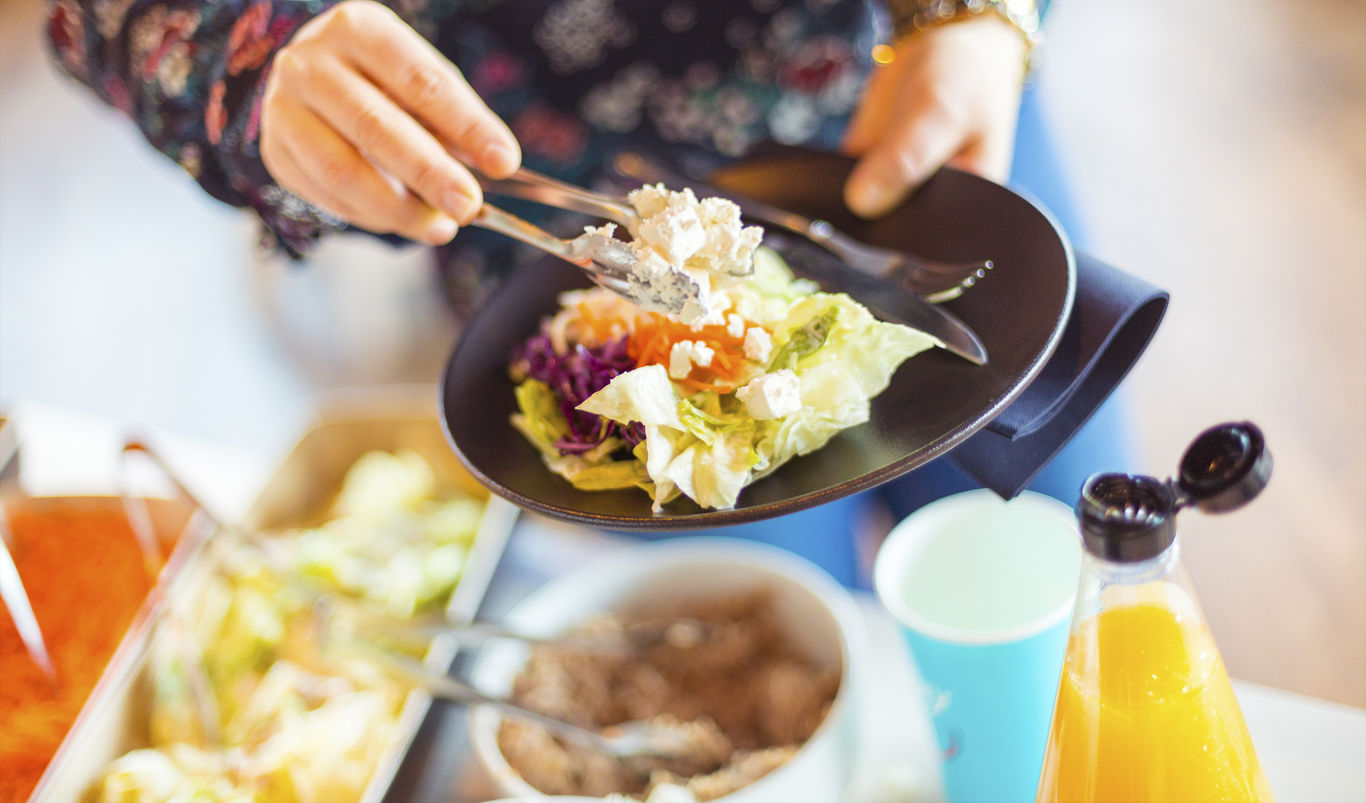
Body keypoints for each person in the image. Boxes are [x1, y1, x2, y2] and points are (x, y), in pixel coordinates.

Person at [47, 0, 1120, 586]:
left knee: (1063, 559)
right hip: (546, 218)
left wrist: (984, 13)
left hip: (908, 96)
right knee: (773, 647)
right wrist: (257, 63)